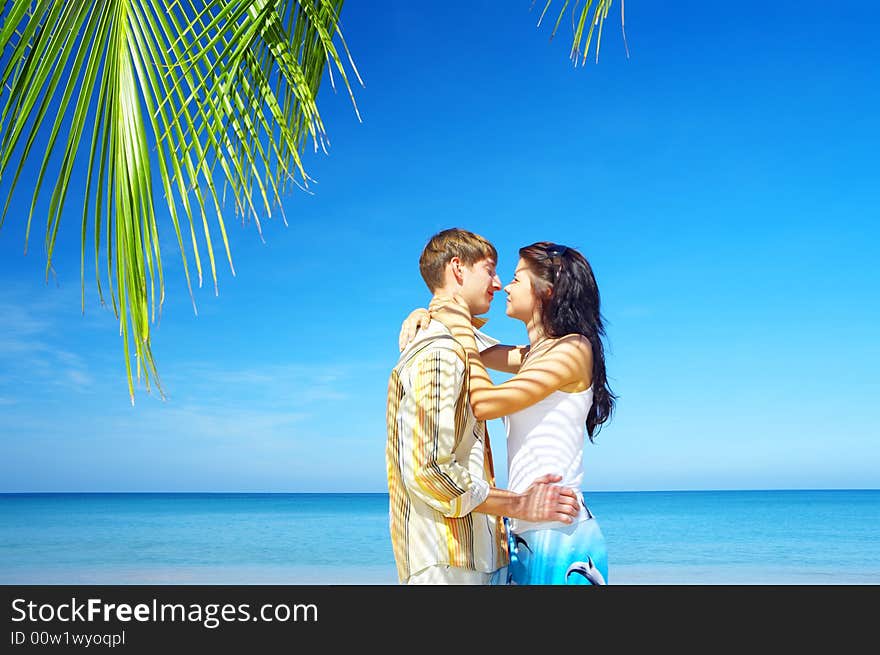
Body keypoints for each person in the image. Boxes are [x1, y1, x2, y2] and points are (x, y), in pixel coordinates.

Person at [399, 241, 616, 585]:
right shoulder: (530, 355)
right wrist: (427, 314)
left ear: (547, 290)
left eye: (516, 279)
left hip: (559, 531)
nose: (505, 287)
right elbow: (468, 342)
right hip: (523, 532)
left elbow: (484, 403)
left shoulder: (574, 349)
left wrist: (456, 323)